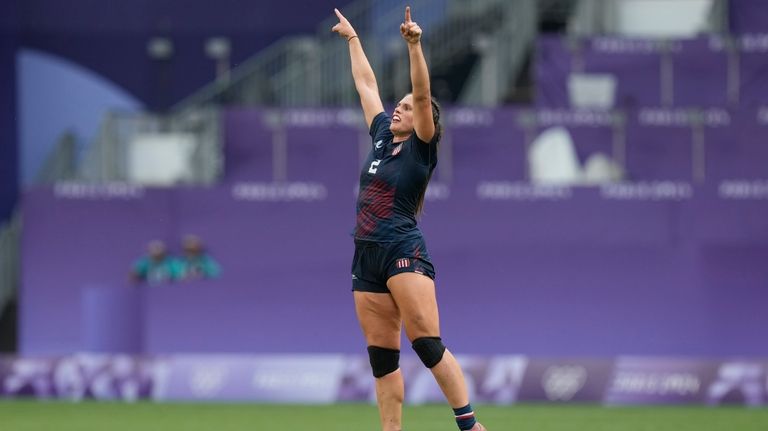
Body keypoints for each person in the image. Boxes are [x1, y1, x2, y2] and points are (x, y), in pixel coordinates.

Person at [333, 7, 486, 431]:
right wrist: (353, 40)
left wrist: (414, 46)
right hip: (366, 256)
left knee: (426, 342)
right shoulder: (383, 135)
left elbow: (421, 95)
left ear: (424, 121)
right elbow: (366, 84)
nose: (396, 109)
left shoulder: (422, 146)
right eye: (396, 105)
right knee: (382, 360)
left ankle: (470, 425)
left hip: (402, 249)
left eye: (404, 107)